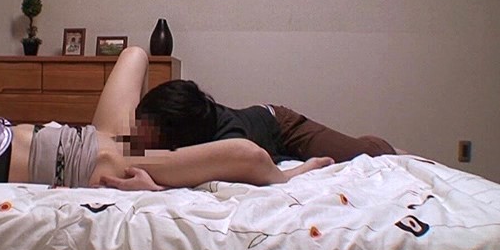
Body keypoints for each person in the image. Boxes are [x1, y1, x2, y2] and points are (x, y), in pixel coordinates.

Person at [0, 47, 333, 200]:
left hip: (93, 135)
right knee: (250, 157)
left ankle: (197, 144)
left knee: (135, 53)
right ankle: (289, 175)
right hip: (107, 163)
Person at [130, 79, 401, 164]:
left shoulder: (229, 137)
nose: (138, 131)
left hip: (282, 126)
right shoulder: (175, 133)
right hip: (264, 137)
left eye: (147, 127)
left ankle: (382, 145)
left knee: (365, 155)